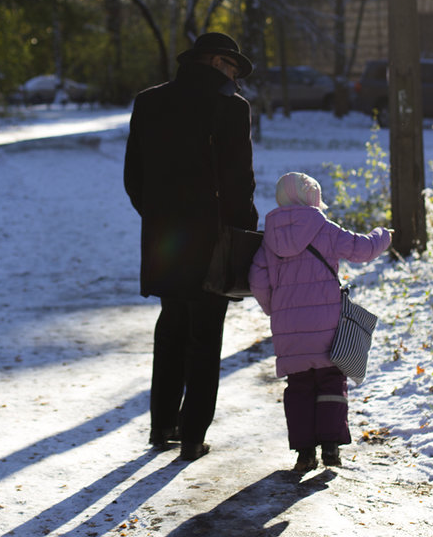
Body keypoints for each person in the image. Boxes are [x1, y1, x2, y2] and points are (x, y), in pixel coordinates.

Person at [124, 32, 258, 462]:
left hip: (165, 239)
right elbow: (240, 182)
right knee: (205, 335)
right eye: (232, 68)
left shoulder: (149, 102)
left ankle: (161, 425)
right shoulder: (230, 108)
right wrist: (243, 235)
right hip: (213, 239)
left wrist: (159, 217)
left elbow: (134, 177)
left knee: (171, 328)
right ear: (216, 61)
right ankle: (193, 434)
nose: (235, 78)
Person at [248, 171, 391, 473]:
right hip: (327, 325)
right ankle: (330, 448)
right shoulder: (323, 228)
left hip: (288, 329)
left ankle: (304, 454)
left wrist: (274, 308)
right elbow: (361, 249)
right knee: (330, 382)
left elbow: (257, 279)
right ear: (313, 198)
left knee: (298, 387)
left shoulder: (270, 237)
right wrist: (384, 235)